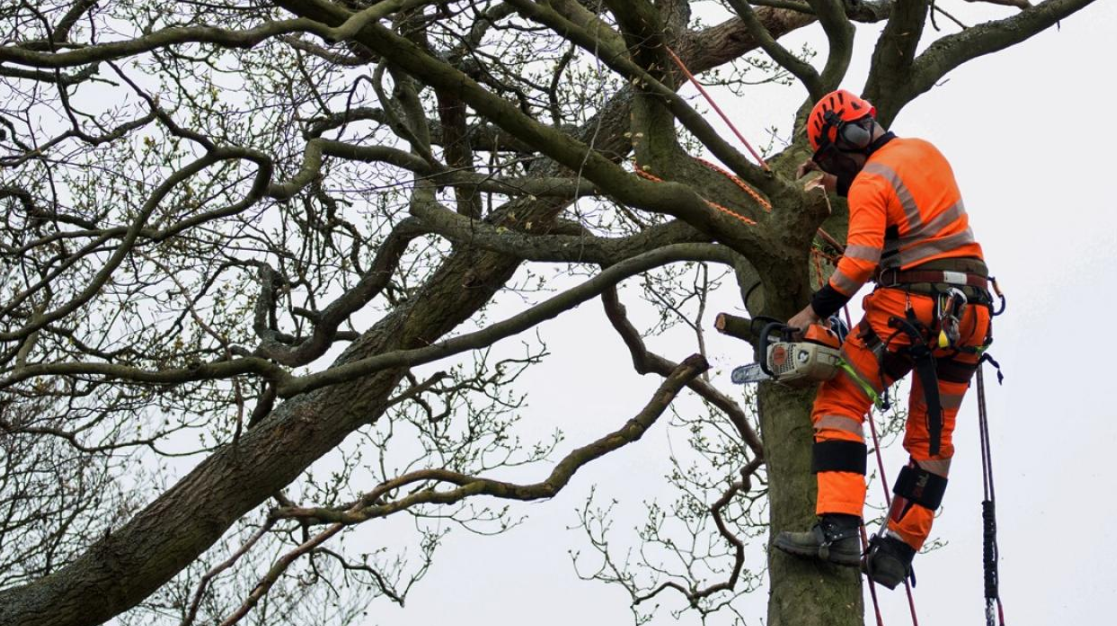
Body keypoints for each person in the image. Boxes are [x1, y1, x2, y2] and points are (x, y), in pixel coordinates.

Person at [772, 89, 995, 590]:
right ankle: (897, 550)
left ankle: (837, 530)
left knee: (839, 402)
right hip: (971, 316)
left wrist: (812, 310)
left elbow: (859, 262)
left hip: (911, 309)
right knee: (932, 440)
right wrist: (838, 181)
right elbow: (903, 211)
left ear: (843, 143)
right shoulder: (923, 152)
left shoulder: (872, 179)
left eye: (831, 159)